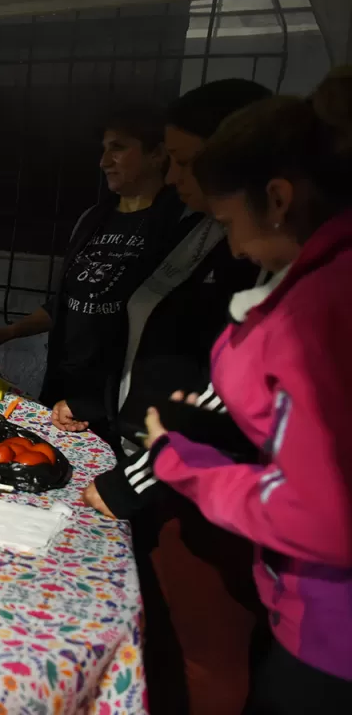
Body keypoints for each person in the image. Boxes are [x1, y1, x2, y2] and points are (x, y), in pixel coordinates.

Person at [144, 68, 352, 713]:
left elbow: (322, 512)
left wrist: (186, 465)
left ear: (280, 198)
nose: (231, 243)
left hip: (331, 635)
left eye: (230, 220)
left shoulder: (314, 309)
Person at [79, 79, 272, 714]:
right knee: (161, 643)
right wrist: (99, 409)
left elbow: (220, 398)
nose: (179, 174)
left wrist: (131, 482)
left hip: (197, 492)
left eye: (188, 161)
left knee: (202, 661)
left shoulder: (256, 254)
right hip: (154, 467)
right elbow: (146, 341)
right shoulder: (198, 231)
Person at [0, 108, 183, 449]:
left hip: (121, 396)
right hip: (64, 384)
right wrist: (6, 333)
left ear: (157, 154)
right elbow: (68, 300)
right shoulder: (93, 219)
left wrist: (100, 402)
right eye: (103, 149)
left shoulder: (176, 226)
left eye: (118, 147)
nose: (104, 161)